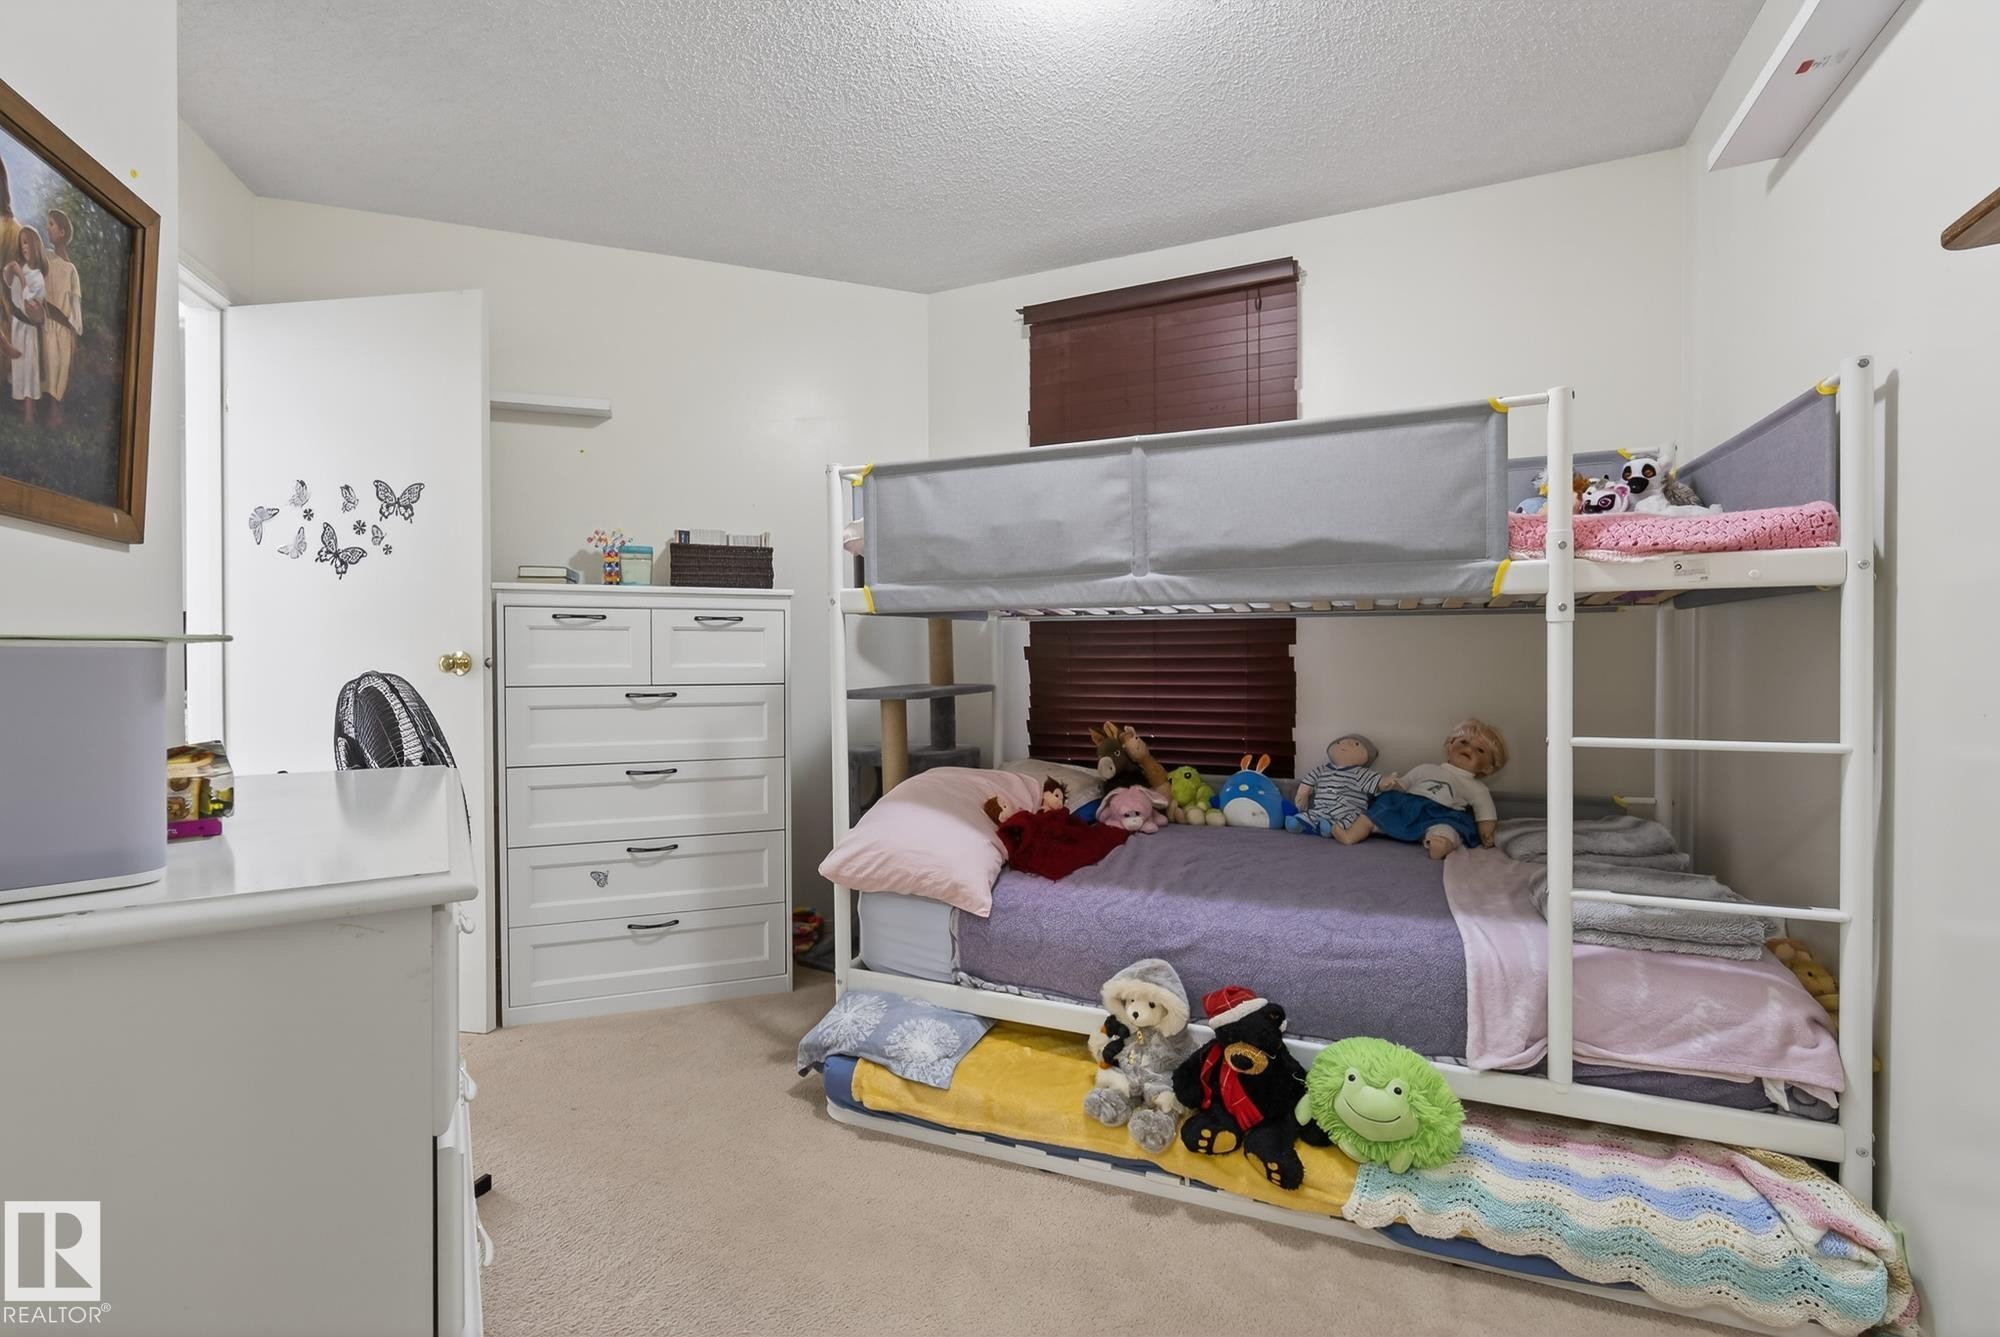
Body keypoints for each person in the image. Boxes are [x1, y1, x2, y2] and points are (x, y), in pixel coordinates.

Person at [40, 209, 80, 425]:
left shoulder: (71, 269)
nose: (48, 227)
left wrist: (73, 331)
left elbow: (75, 304)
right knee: (50, 365)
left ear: (62, 232)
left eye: (52, 224)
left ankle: (56, 415)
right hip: (48, 325)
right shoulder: (46, 257)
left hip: (65, 329)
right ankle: (49, 413)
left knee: (62, 369)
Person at [5, 225, 47, 422]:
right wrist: (11, 270)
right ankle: (24, 408)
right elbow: (7, 280)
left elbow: (29, 302)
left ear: (35, 245)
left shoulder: (37, 276)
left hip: (28, 327)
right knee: (19, 365)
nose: (24, 247)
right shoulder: (20, 267)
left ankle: (30, 413)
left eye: (27, 242)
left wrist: (20, 276)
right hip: (16, 324)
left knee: (29, 365)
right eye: (22, 243)